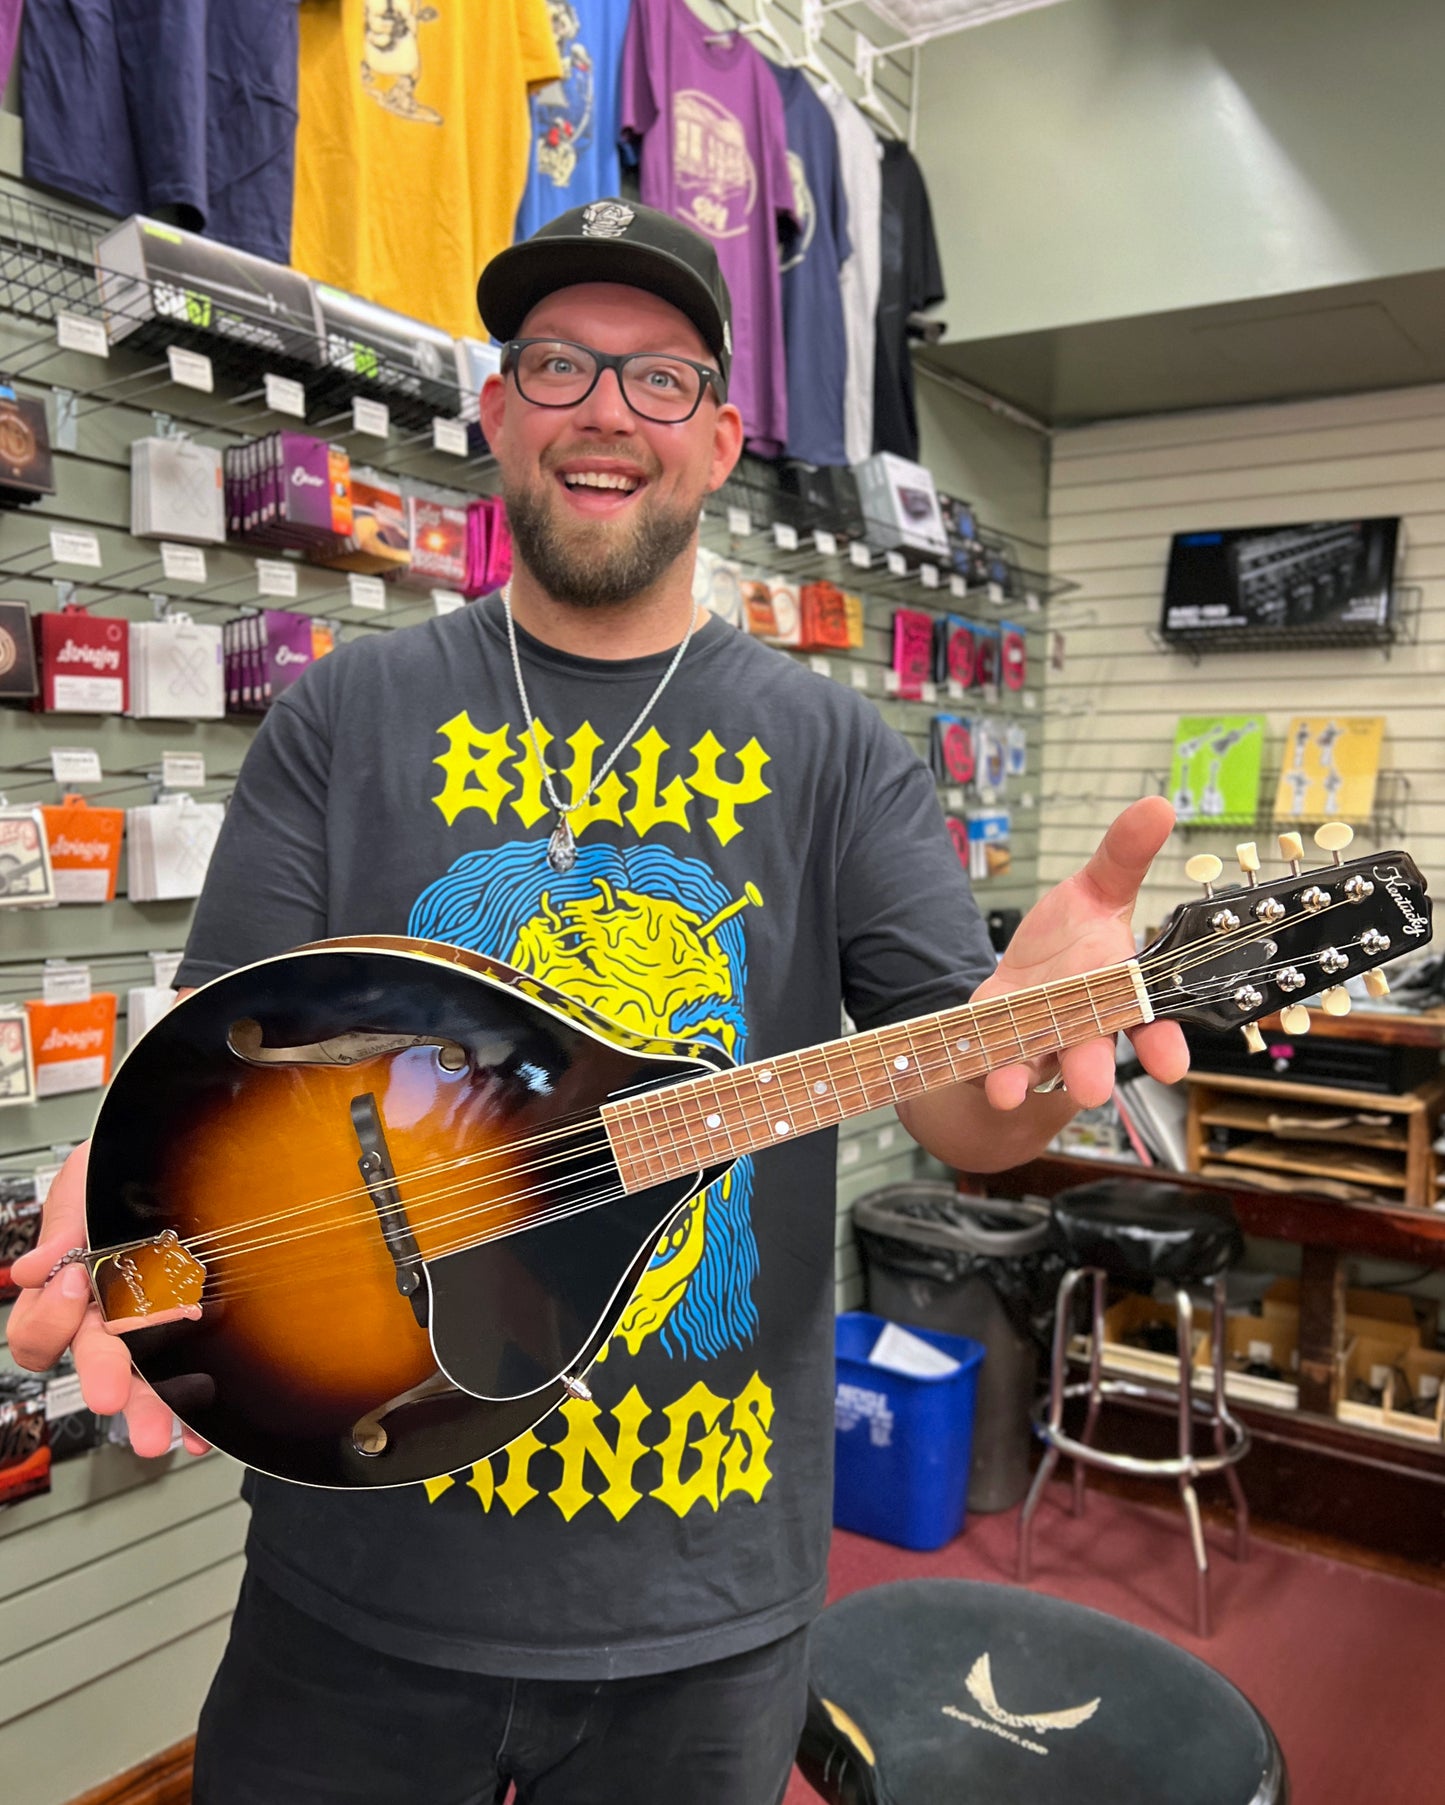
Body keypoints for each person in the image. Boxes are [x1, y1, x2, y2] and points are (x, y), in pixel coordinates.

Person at [7, 201, 1187, 1805]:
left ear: (719, 438)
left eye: (656, 378)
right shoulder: (345, 713)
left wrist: (1034, 1050)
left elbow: (960, 1120)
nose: (602, 413)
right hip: (353, 1565)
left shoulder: (837, 753)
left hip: (700, 1602)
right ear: (496, 411)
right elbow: (220, 1024)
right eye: (558, 364)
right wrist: (121, 1165)